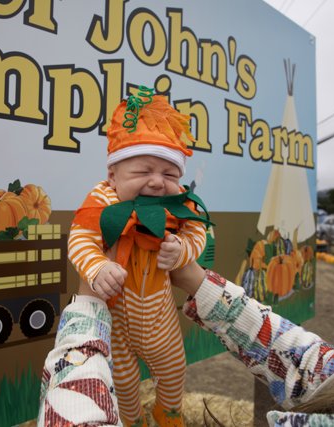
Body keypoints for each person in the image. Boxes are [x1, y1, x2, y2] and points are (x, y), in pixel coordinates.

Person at [38, 185, 334, 427]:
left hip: (147, 329)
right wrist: (192, 276)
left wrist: (88, 305)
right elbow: (303, 362)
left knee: (169, 372)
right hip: (131, 330)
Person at [63, 88, 211, 427]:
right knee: (123, 383)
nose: (158, 182)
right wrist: (97, 266)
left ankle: (168, 412)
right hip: (115, 320)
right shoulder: (102, 199)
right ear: (113, 176)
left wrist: (180, 252)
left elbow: (197, 234)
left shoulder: (180, 205)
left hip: (159, 316)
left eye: (170, 174)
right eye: (143, 171)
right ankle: (132, 421)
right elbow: (80, 238)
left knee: (174, 367)